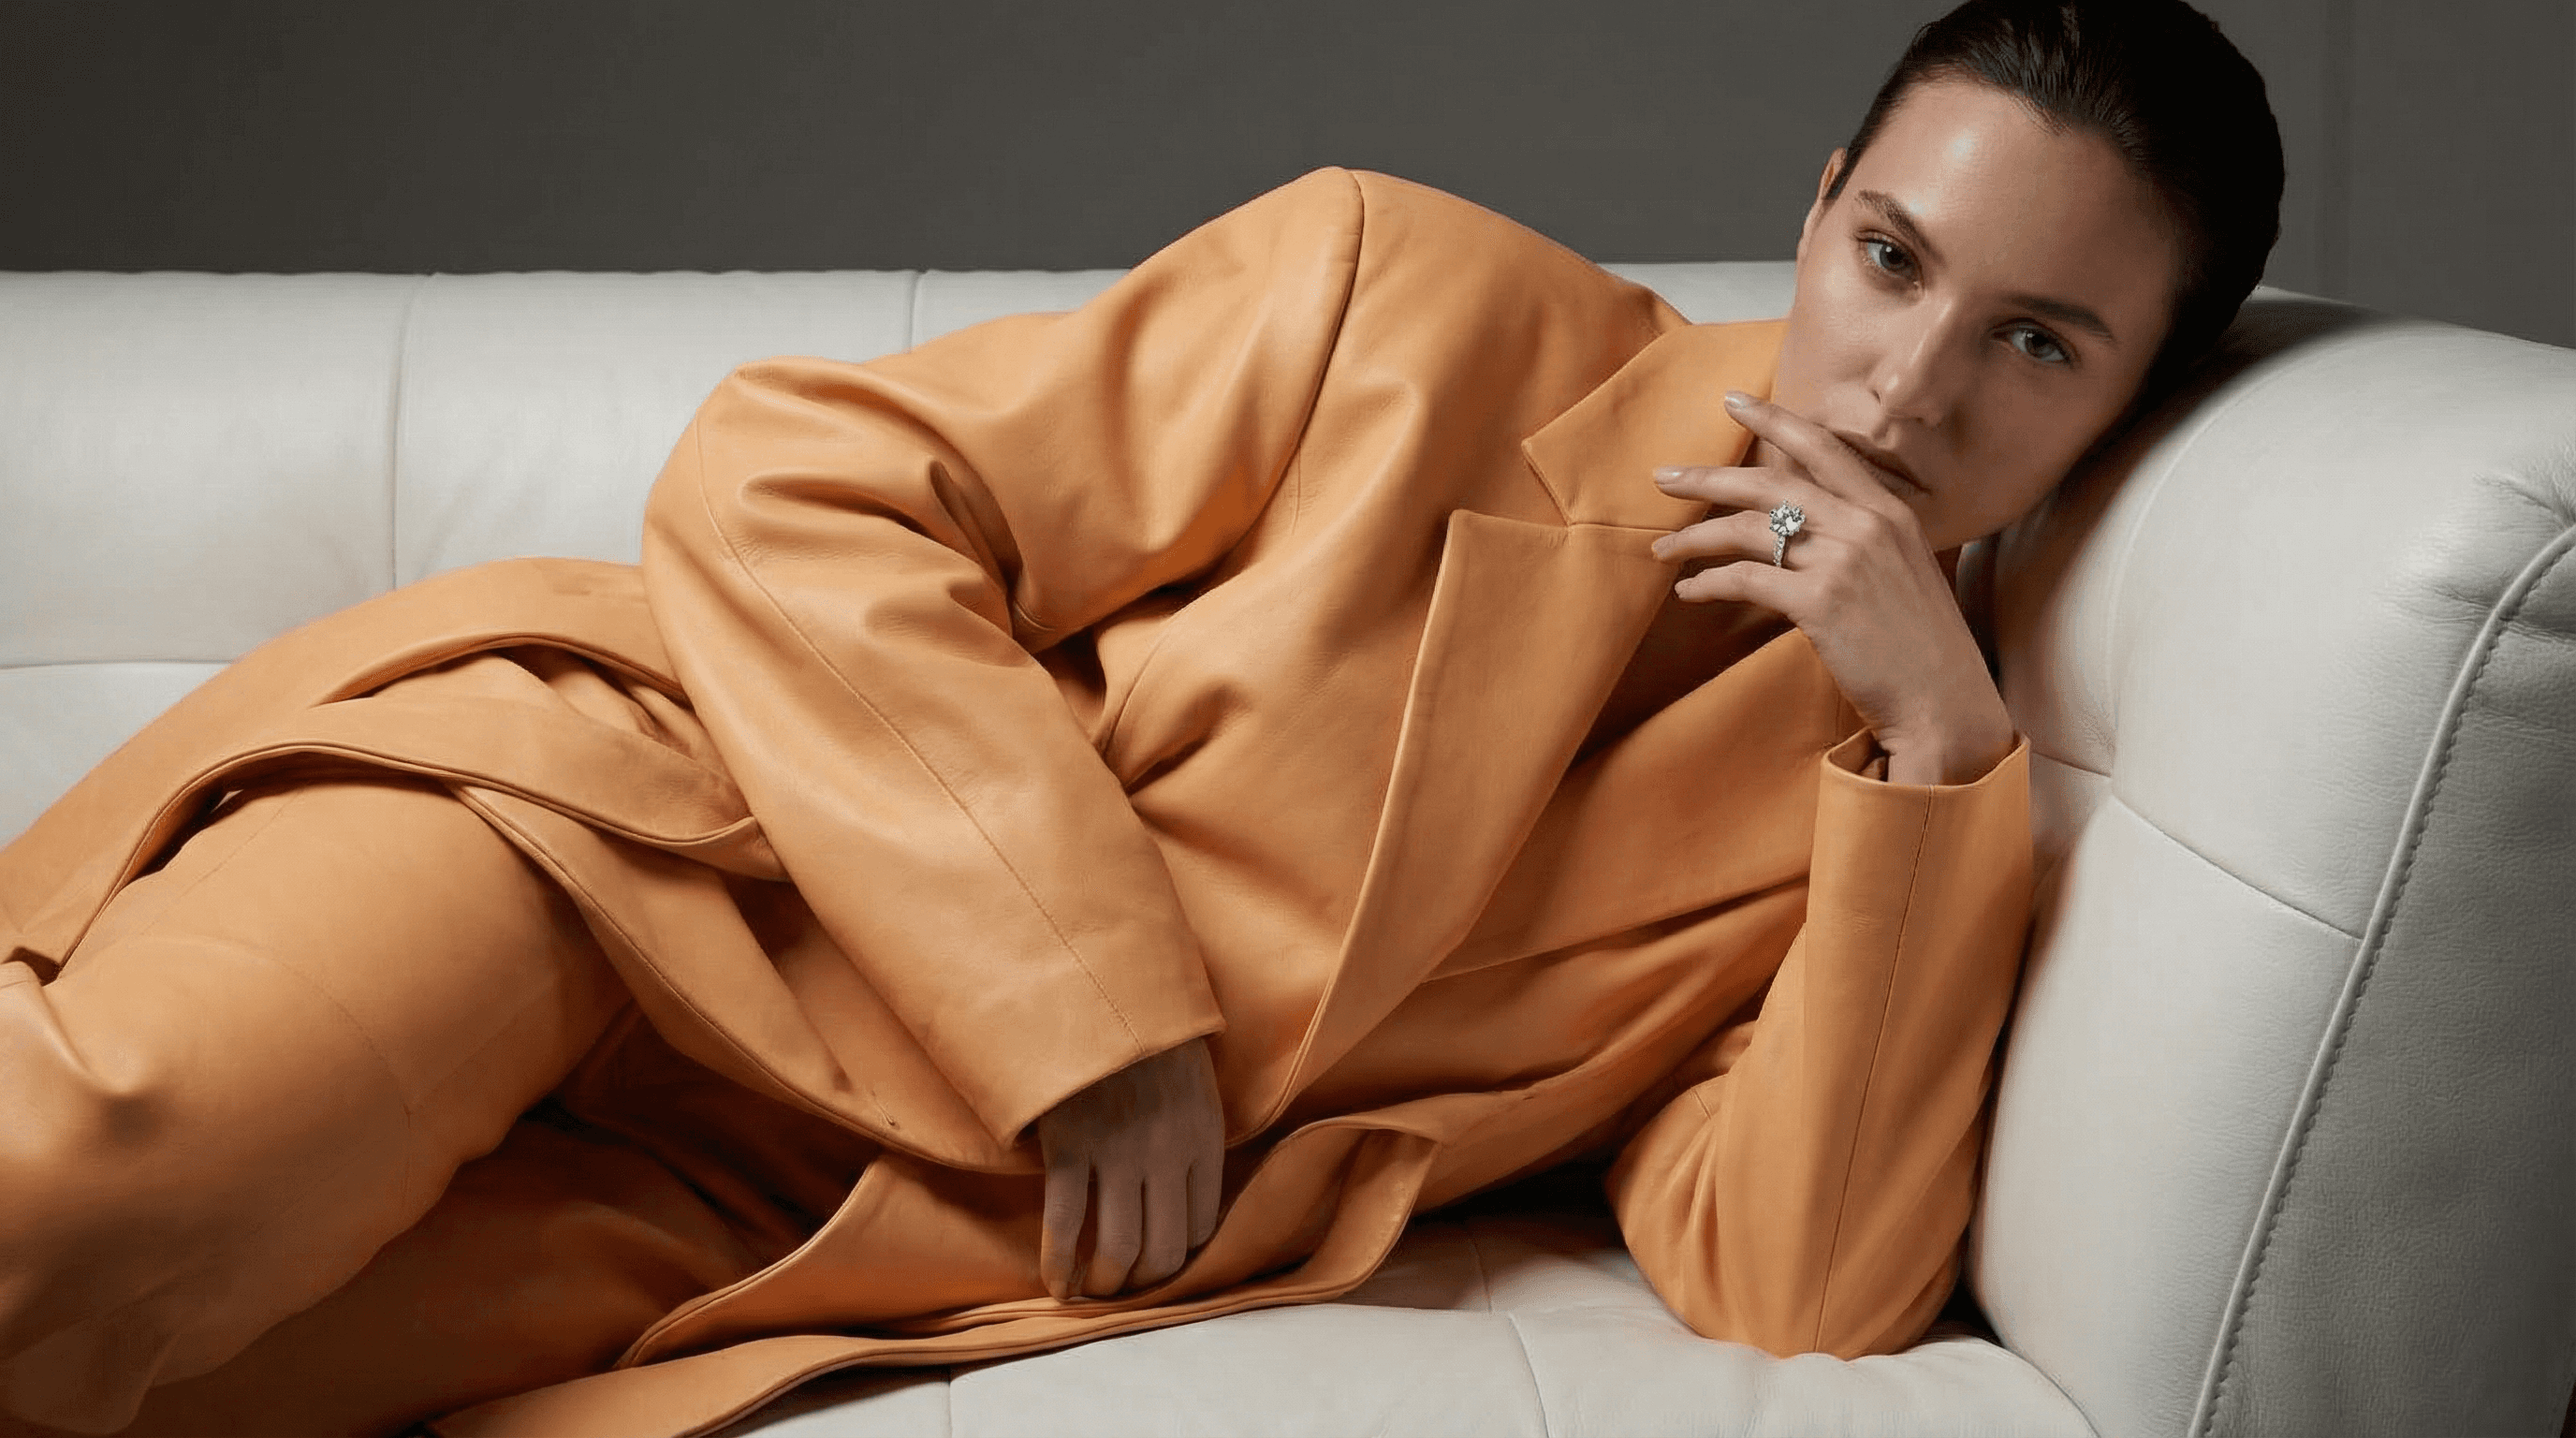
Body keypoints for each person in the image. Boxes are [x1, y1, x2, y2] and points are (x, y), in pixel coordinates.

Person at [0, 1, 2281, 1433]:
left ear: (2135, 402)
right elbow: (794, 482)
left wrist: (1927, 765)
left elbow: (1781, 1275)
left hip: (762, 1217)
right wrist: (1099, 1012)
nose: (1900, 384)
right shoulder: (1415, 302)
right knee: (94, 1198)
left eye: (2035, 346)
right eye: (1885, 258)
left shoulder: (1878, 803)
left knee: (192, 1384)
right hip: (633, 856)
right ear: (1810, 212)